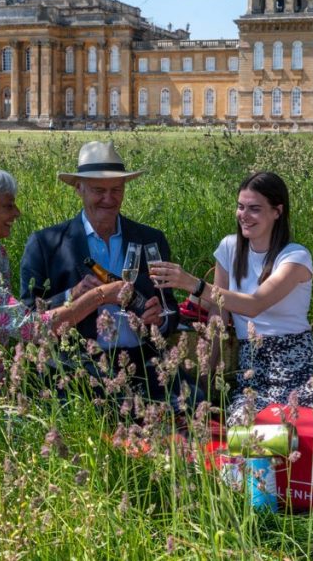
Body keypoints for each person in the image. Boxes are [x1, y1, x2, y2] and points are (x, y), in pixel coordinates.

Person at [151, 171, 313, 426]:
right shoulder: (229, 248)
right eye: (240, 207)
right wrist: (207, 373)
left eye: (254, 209)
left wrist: (193, 283)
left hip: (299, 360)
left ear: (277, 211)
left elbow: (255, 304)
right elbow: (219, 313)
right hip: (254, 366)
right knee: (245, 428)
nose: (244, 216)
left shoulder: (295, 256)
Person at [19, 141, 190, 408]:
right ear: (79, 188)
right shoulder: (45, 243)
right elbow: (27, 319)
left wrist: (159, 319)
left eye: (116, 190)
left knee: (194, 408)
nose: (109, 199)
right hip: (77, 367)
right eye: (99, 190)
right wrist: (71, 296)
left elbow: (169, 307)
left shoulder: (150, 239)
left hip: (142, 363)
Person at [0, 166, 126, 365]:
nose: (17, 213)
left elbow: (11, 314)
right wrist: (101, 295)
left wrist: (72, 293)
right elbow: (32, 328)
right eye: (8, 206)